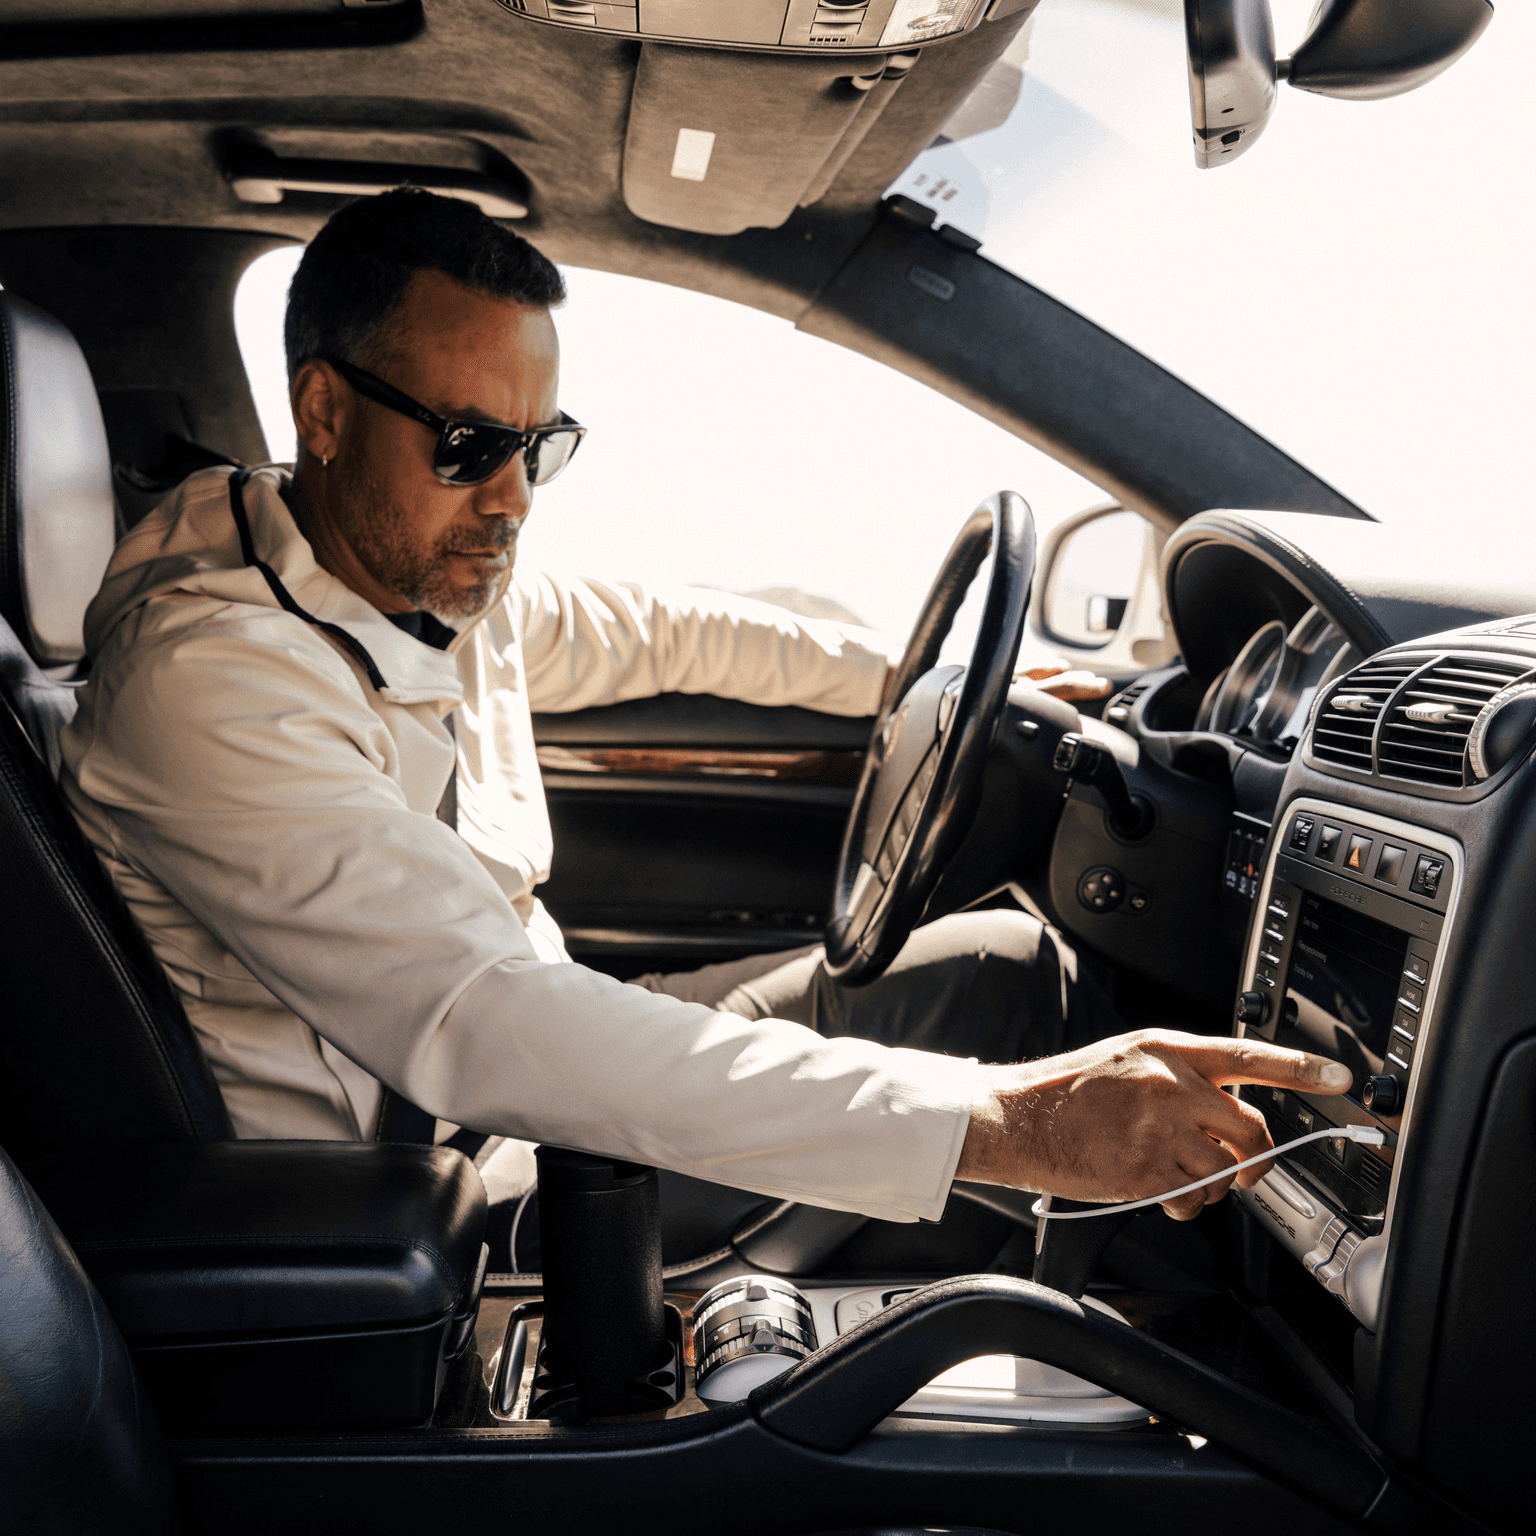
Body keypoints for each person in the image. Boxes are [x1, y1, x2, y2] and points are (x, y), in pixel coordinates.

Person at [59, 191, 1350, 1268]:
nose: (510, 503)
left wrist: (924, 681)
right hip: (429, 1196)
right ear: (324, 416)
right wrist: (1008, 1124)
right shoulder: (208, 682)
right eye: (467, 445)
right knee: (995, 1103)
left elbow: (667, 631)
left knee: (1005, 970)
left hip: (523, 1079)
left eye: (538, 448)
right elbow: (483, 1021)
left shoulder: (422, 571)